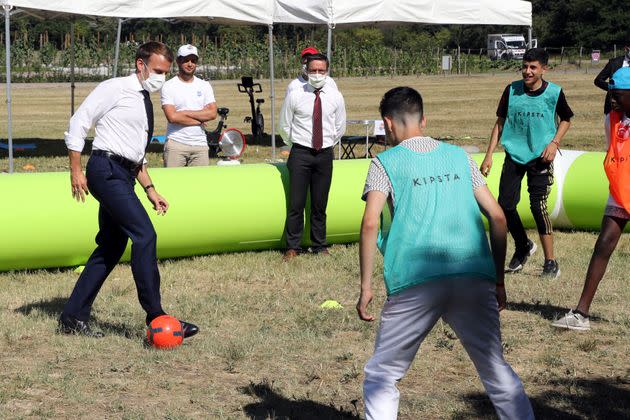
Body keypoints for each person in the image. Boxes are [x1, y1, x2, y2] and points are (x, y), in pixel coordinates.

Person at [357, 86, 534, 420]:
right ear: (424, 119)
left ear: (388, 124)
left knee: (383, 375)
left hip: (414, 279)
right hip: (473, 274)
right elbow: (497, 217)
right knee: (494, 368)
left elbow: (369, 224)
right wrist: (497, 279)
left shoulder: (383, 163)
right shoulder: (459, 156)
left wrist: (366, 288)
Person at [60, 41, 199, 339]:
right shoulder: (115, 88)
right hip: (104, 170)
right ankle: (157, 316)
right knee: (145, 235)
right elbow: (78, 123)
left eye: (165, 71)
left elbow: (134, 151)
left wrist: (150, 188)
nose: (162, 77)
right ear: (140, 64)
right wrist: (75, 170)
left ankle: (72, 317)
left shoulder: (144, 98)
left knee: (111, 247)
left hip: (123, 172)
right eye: (158, 70)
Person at [480, 48, 573, 278]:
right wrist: (489, 154)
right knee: (505, 205)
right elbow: (500, 123)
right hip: (514, 154)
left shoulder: (554, 93)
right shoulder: (511, 90)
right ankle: (523, 246)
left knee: (537, 207)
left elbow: (566, 119)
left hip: (540, 156)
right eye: (524, 66)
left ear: (544, 69)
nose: (527, 71)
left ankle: (550, 262)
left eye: (533, 67)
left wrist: (554, 143)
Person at [552, 67, 630, 331]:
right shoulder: (614, 120)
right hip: (622, 190)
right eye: (611, 94)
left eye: (617, 95)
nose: (611, 100)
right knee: (604, 243)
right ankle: (581, 313)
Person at [278, 53, 346, 260]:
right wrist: (296, 145)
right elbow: (284, 125)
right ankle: (293, 246)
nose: (317, 74)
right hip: (300, 153)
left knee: (319, 203)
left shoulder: (335, 96)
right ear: (306, 71)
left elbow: (339, 126)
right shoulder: (296, 95)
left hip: (324, 154)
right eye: (313, 70)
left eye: (321, 71)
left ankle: (319, 245)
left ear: (327, 72)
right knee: (296, 203)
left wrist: (326, 144)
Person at [161, 44, 218, 167]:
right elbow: (172, 117)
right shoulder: (169, 86)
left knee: (200, 185)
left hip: (200, 145)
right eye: (186, 60)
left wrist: (184, 113)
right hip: (176, 144)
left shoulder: (204, 85)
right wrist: (199, 120)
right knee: (173, 184)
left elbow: (212, 113)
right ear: (178, 61)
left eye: (193, 60)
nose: (190, 64)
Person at [594, 44, 629, 135]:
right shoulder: (614, 63)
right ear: (626, 48)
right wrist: (614, 89)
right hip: (614, 107)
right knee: (614, 136)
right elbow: (598, 80)